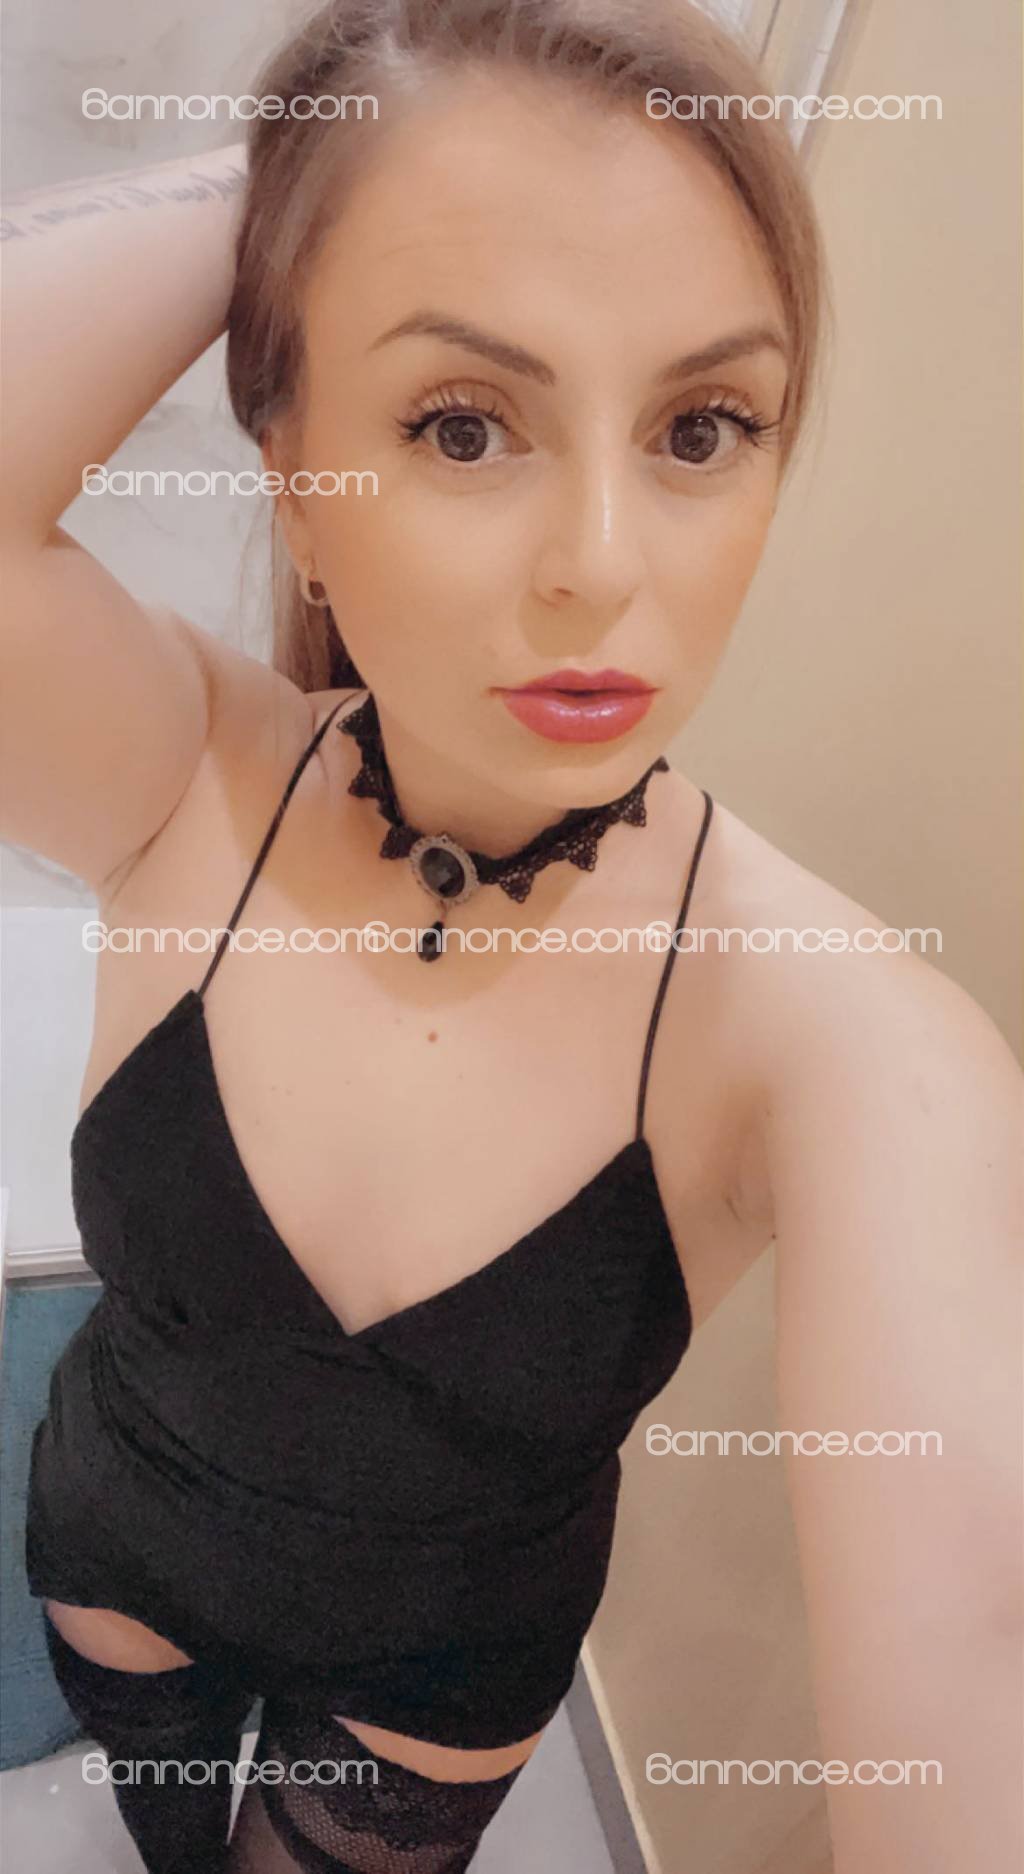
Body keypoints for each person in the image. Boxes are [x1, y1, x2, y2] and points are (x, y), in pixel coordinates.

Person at [2, 2, 1020, 1871]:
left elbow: (973, 1662)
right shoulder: (177, 774)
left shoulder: (836, 1040)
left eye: (702, 426)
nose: (602, 561)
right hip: (116, 1569)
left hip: (430, 1692)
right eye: (463, 424)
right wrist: (334, 163)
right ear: (294, 472)